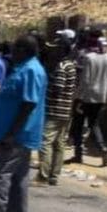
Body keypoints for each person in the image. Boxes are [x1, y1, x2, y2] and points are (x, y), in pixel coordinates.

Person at [0, 36, 47, 212]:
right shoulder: (22, 68)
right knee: (19, 179)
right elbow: (6, 93)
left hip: (17, 135)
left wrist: (11, 133)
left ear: (24, 50)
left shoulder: (31, 70)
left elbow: (29, 104)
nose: (13, 54)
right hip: (16, 134)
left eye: (16, 49)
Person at [38, 30, 78, 185]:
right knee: (59, 143)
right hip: (66, 110)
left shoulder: (61, 66)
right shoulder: (71, 65)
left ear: (62, 49)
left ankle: (43, 175)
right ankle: (54, 175)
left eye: (56, 47)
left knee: (45, 142)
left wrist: (47, 87)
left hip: (55, 110)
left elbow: (58, 88)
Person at [69, 35, 107, 167]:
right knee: (94, 124)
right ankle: (103, 149)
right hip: (101, 97)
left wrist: (77, 98)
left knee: (78, 124)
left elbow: (85, 81)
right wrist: (105, 97)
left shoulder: (89, 58)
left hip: (85, 97)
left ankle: (78, 155)